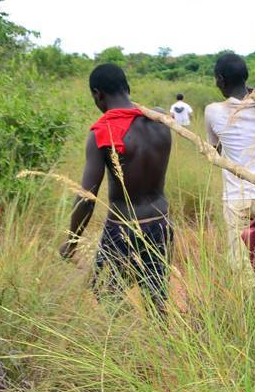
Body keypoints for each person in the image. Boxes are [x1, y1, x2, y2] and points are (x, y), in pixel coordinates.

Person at [59, 64, 173, 307]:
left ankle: (123, 343)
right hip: (161, 223)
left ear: (98, 94)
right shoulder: (161, 120)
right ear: (128, 88)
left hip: (123, 230)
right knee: (157, 297)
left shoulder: (101, 133)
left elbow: (86, 198)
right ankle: (161, 343)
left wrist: (72, 241)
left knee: (107, 295)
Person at [204, 52, 255, 265]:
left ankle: (247, 297)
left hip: (238, 199)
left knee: (242, 266)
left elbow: (217, 151)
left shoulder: (213, 111)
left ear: (220, 80)